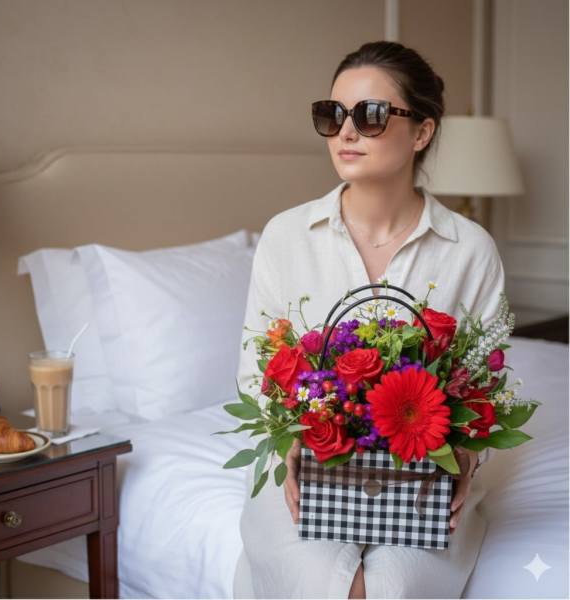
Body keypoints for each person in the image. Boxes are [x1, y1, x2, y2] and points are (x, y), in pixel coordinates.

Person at [233, 40, 504, 599]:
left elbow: (484, 392)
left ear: (422, 132)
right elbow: (256, 372)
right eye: (331, 115)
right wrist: (290, 444)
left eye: (371, 115)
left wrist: (467, 453)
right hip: (305, 474)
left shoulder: (470, 249)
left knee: (394, 589)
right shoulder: (286, 236)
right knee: (326, 584)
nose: (346, 132)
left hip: (422, 482)